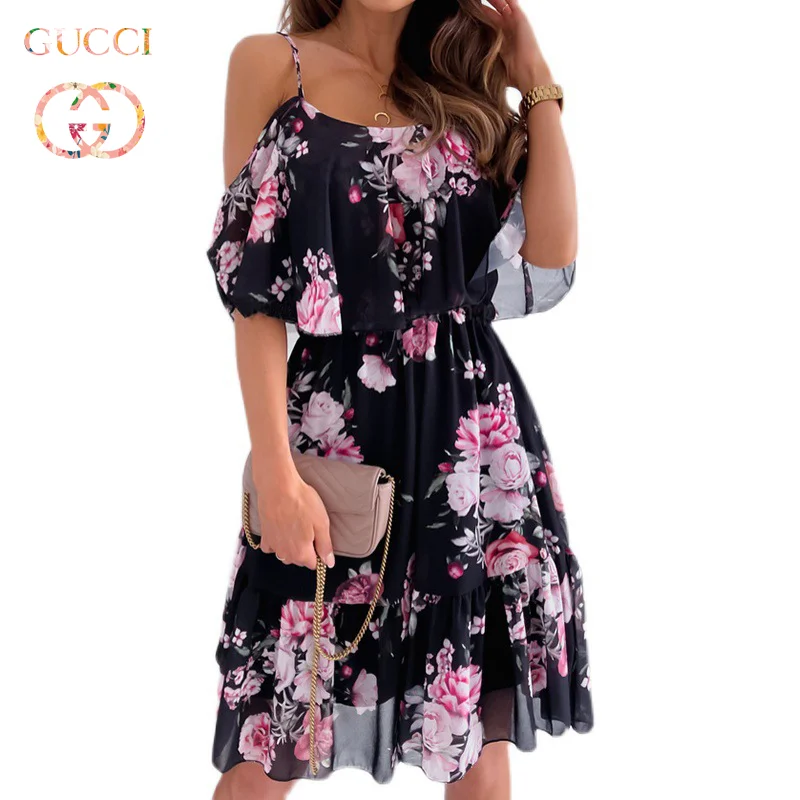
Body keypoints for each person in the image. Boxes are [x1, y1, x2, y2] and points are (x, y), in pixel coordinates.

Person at [207, 1, 593, 797]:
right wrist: (275, 475)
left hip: (473, 438)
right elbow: (256, 298)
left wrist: (535, 81)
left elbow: (552, 247)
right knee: (267, 741)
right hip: (332, 430)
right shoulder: (271, 65)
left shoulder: (461, 77)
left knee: (478, 746)